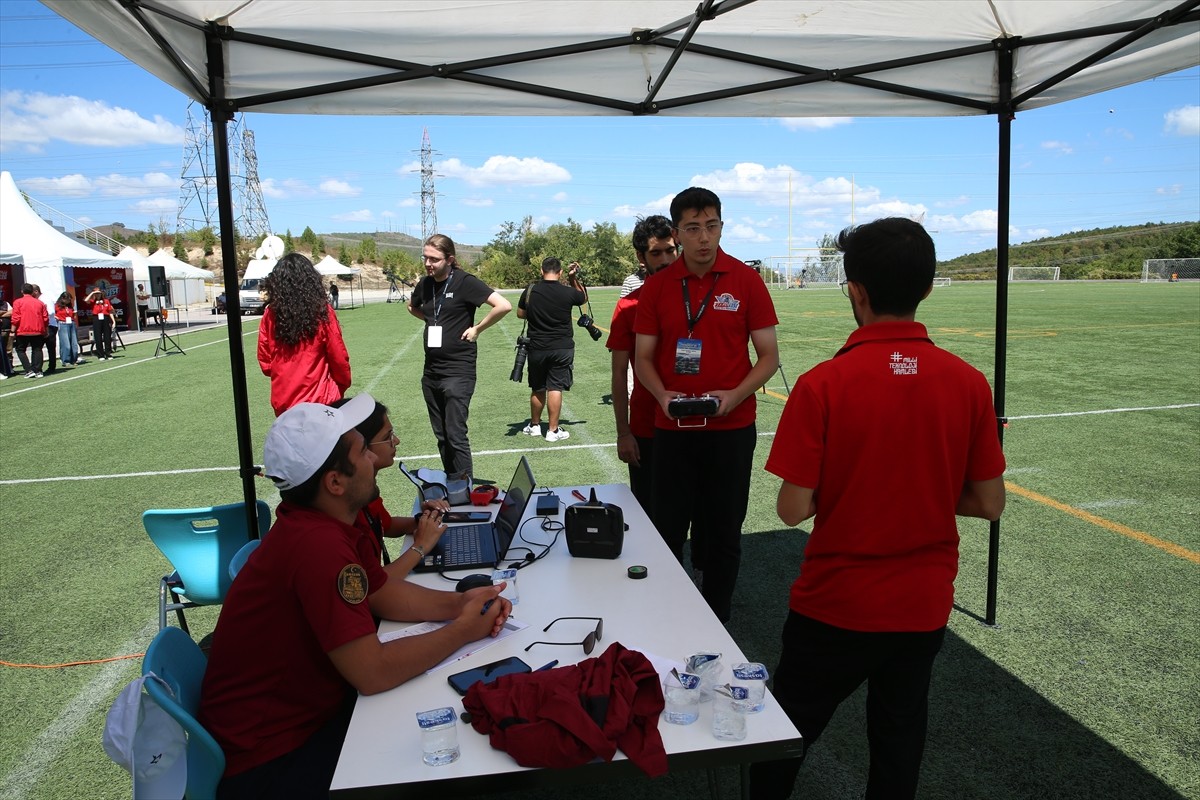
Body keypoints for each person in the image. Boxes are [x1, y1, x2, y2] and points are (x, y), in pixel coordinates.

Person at [748, 218, 1007, 800]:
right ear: (927, 288)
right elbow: (990, 502)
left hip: (837, 602)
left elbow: (792, 510)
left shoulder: (822, 384)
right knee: (898, 740)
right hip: (922, 604)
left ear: (856, 291)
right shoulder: (968, 382)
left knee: (785, 735)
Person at [198, 394, 512, 799]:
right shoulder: (318, 548)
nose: (373, 459)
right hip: (270, 760)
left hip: (293, 724)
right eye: (364, 451)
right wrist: (465, 630)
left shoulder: (317, 528)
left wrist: (461, 605)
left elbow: (379, 594)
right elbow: (372, 672)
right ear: (334, 482)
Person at [633, 187, 779, 623]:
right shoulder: (659, 287)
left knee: (724, 531)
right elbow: (642, 358)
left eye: (711, 226)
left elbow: (769, 357)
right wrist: (663, 396)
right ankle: (668, 612)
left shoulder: (746, 280)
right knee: (668, 528)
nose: (703, 237)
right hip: (673, 430)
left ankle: (718, 615)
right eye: (693, 228)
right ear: (677, 233)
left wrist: (734, 397)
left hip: (730, 430)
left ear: (721, 227)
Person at [408, 234, 511, 479]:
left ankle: (464, 490)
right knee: (442, 435)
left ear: (450, 259)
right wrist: (432, 320)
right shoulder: (425, 283)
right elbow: (412, 306)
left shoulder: (465, 282)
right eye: (425, 258)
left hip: (458, 371)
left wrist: (477, 328)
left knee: (455, 433)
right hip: (431, 371)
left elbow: (503, 305)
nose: (427, 263)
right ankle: (451, 483)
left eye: (434, 259)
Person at [605, 215, 677, 518]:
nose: (665, 259)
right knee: (650, 514)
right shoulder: (628, 307)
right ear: (641, 257)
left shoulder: (699, 300)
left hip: (698, 425)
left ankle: (697, 567)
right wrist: (624, 432)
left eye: (671, 250)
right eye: (656, 253)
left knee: (703, 513)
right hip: (648, 425)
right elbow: (619, 373)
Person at [331, 395, 450, 577]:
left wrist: (423, 521)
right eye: (388, 437)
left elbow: (385, 524)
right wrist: (420, 547)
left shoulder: (361, 491)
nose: (396, 441)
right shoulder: (343, 510)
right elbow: (374, 590)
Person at [257, 252, 352, 416]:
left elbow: (266, 363)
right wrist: (340, 385)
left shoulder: (270, 314)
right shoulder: (322, 312)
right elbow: (338, 356)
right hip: (321, 401)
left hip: (284, 402)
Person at [517, 256, 587, 442]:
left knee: (537, 387)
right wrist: (573, 278)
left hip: (537, 347)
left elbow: (520, 314)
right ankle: (553, 431)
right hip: (561, 346)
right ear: (560, 272)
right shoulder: (567, 292)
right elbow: (583, 298)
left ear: (541, 271)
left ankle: (534, 425)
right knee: (555, 387)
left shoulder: (531, 290)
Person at [11, 283, 49, 378]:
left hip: (23, 330)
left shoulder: (18, 302)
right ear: (32, 291)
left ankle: (28, 370)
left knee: (20, 350)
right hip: (37, 329)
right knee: (37, 349)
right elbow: (45, 318)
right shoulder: (40, 303)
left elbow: (15, 318)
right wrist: (46, 330)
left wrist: (12, 331)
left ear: (22, 291)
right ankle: (38, 370)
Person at [55, 292, 83, 366]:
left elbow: (72, 314)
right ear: (63, 299)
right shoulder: (57, 306)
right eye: (67, 299)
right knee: (66, 343)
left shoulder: (69, 306)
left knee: (74, 343)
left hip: (71, 323)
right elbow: (53, 314)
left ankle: (74, 359)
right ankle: (65, 360)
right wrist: (56, 318)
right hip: (63, 324)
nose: (68, 301)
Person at [86, 288, 116, 361]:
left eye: (98, 293)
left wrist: (113, 321)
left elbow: (110, 311)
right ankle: (100, 355)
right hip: (97, 318)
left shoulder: (106, 301)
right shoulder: (93, 301)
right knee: (98, 337)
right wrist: (92, 293)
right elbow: (86, 300)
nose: (98, 295)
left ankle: (108, 353)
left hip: (105, 318)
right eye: (96, 293)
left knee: (107, 337)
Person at [34, 285, 58, 373]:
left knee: (50, 348)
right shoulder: (38, 300)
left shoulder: (44, 299)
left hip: (50, 325)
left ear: (36, 291)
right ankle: (37, 367)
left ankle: (52, 367)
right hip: (42, 326)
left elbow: (51, 312)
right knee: (38, 347)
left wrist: (41, 315)